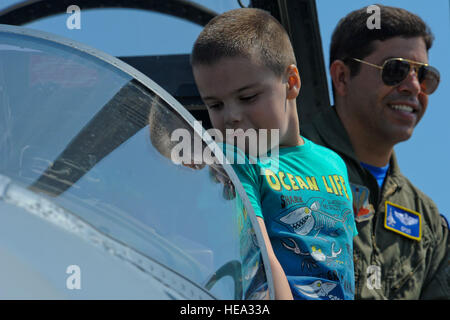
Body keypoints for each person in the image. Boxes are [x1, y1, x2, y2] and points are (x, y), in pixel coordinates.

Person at [191, 8, 358, 300]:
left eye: (247, 97)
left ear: (291, 82)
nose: (232, 116)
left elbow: (345, 263)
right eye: (215, 105)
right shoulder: (237, 161)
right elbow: (259, 255)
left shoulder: (334, 164)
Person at [302, 5, 449, 299]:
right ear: (342, 77)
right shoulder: (282, 165)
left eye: (424, 75)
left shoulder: (428, 220)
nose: (413, 86)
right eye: (395, 70)